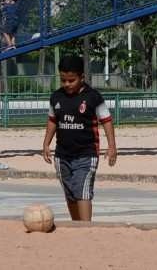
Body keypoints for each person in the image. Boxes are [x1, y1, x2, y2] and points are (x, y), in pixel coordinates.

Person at [41, 55, 118, 221]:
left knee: (82, 192)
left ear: (82, 78)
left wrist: (112, 147)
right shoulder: (56, 97)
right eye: (63, 80)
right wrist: (46, 143)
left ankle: (86, 228)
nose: (67, 84)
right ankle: (76, 227)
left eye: (71, 80)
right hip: (62, 156)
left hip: (86, 154)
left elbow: (106, 121)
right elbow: (52, 121)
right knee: (70, 193)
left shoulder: (93, 97)